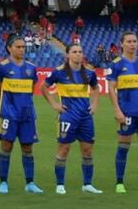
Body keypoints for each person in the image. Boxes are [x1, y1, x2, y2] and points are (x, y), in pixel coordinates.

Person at [43, 44, 102, 194]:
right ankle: (60, 185)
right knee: (64, 149)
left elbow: (96, 88)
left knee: (88, 150)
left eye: (80, 52)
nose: (78, 54)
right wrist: (54, 104)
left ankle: (87, 184)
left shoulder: (89, 72)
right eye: (74, 52)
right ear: (68, 55)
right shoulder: (59, 72)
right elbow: (43, 87)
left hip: (85, 117)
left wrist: (94, 103)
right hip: (68, 116)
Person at [0, 37, 43, 194]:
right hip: (9, 114)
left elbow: (32, 87)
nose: (22, 49)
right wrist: (3, 107)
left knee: (28, 148)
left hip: (27, 114)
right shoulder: (3, 67)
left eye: (23, 47)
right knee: (6, 146)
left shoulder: (31, 68)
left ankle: (30, 183)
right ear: (9, 48)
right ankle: (3, 182)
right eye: (18, 46)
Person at [107, 32, 138, 193]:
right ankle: (119, 182)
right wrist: (117, 109)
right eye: (129, 41)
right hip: (127, 113)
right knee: (123, 146)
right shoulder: (117, 64)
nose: (132, 44)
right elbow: (111, 88)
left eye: (134, 41)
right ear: (122, 44)